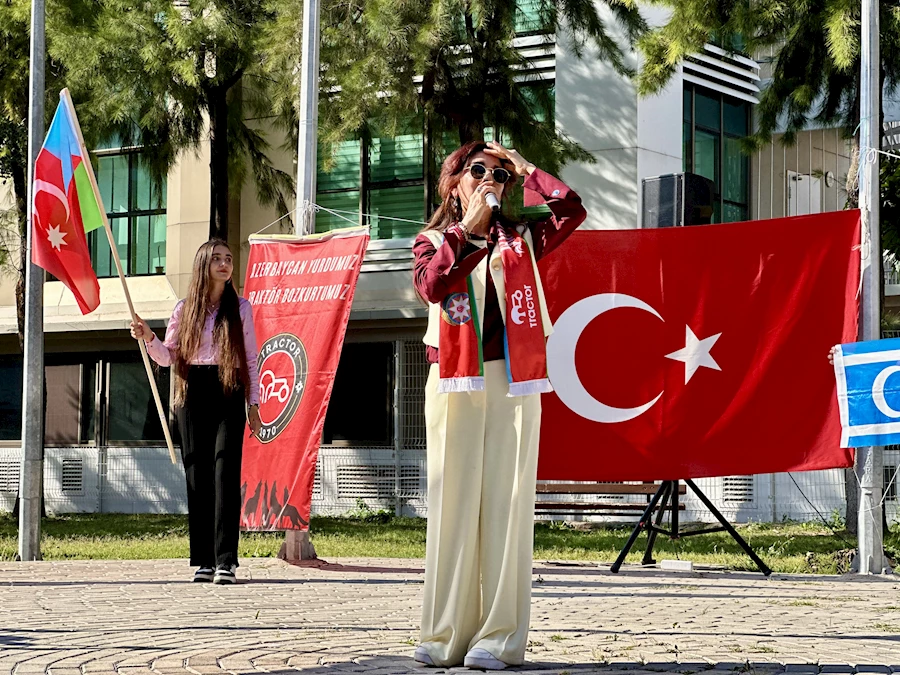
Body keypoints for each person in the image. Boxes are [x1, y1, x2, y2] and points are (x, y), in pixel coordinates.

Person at [412, 141, 587, 669]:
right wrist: (465, 230)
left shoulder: (522, 240)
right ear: (454, 183)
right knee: (453, 506)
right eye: (478, 170)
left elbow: (571, 210)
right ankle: (445, 635)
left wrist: (527, 168)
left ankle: (499, 637)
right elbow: (432, 286)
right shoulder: (432, 240)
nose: (491, 179)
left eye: (499, 174)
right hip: (453, 383)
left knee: (508, 506)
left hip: (514, 383)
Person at [130, 239, 261, 584]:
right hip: (192, 392)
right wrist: (148, 337)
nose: (225, 264)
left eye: (228, 259)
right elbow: (168, 357)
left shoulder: (241, 307)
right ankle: (204, 560)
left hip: (229, 388)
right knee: (197, 475)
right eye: (217, 258)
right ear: (203, 264)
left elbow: (251, 358)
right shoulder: (184, 309)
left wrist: (254, 402)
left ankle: (226, 561)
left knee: (224, 472)